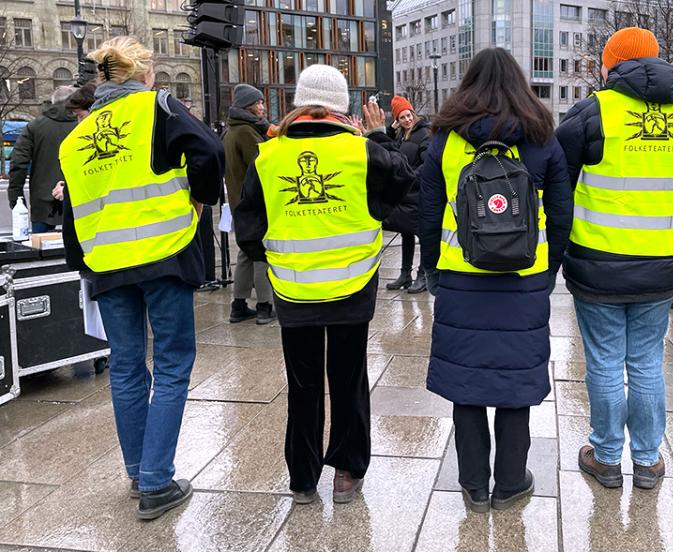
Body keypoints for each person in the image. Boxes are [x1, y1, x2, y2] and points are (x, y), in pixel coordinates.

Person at [59, 36, 224, 519]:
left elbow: (72, 209)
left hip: (107, 264)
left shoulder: (78, 135)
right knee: (172, 364)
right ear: (144, 74)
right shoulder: (160, 107)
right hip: (163, 252)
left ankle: (137, 472)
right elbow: (209, 151)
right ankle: (156, 481)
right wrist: (201, 199)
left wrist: (85, 262)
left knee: (127, 366)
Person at [235, 65, 415, 505]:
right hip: (352, 285)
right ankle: (348, 472)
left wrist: (284, 254)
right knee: (349, 377)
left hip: (293, 288)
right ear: (343, 106)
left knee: (303, 383)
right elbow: (408, 198)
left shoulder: (268, 155)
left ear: (298, 103)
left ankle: (302, 478)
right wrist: (377, 138)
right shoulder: (361, 153)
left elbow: (248, 231)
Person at [555, 27, 673, 492]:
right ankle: (647, 460)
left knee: (604, 361)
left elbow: (557, 185)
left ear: (612, 65)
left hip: (598, 262)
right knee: (645, 361)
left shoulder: (592, 112)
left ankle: (605, 457)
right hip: (661, 264)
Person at [420, 47, 573, 513]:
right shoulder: (542, 137)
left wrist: (432, 269)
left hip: (461, 279)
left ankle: (472, 483)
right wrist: (548, 270)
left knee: (465, 381)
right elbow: (562, 213)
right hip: (523, 280)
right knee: (514, 381)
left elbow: (428, 212)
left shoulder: (446, 138)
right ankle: (510, 481)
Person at [223, 83, 276, 324]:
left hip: (239, 202)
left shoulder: (232, 129)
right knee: (261, 253)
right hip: (254, 202)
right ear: (249, 106)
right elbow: (262, 166)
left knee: (246, 253)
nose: (263, 107)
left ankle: (239, 304)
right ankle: (264, 307)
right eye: (259, 103)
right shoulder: (246, 131)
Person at [9, 86, 78, 232]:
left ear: (53, 101)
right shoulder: (83, 124)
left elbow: (18, 163)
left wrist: (16, 199)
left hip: (43, 204)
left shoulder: (35, 126)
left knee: (41, 250)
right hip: (78, 199)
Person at [384, 95, 431, 293]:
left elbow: (427, 163)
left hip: (417, 191)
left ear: (413, 113)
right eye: (402, 117)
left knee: (422, 235)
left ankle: (423, 275)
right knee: (406, 234)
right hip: (405, 193)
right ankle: (405, 274)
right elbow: (388, 151)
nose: (407, 119)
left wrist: (410, 177)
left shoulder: (424, 134)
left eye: (408, 115)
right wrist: (390, 130)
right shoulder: (399, 135)